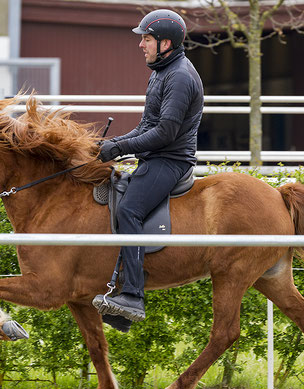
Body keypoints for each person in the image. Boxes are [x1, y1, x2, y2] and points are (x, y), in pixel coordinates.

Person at [92, 9, 204, 329]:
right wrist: (111, 144)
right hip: (155, 156)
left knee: (129, 210)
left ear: (165, 42)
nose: (141, 45)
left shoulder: (180, 76)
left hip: (171, 161)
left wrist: (122, 148)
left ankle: (133, 295)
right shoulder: (161, 71)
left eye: (146, 39)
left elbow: (165, 132)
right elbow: (146, 125)